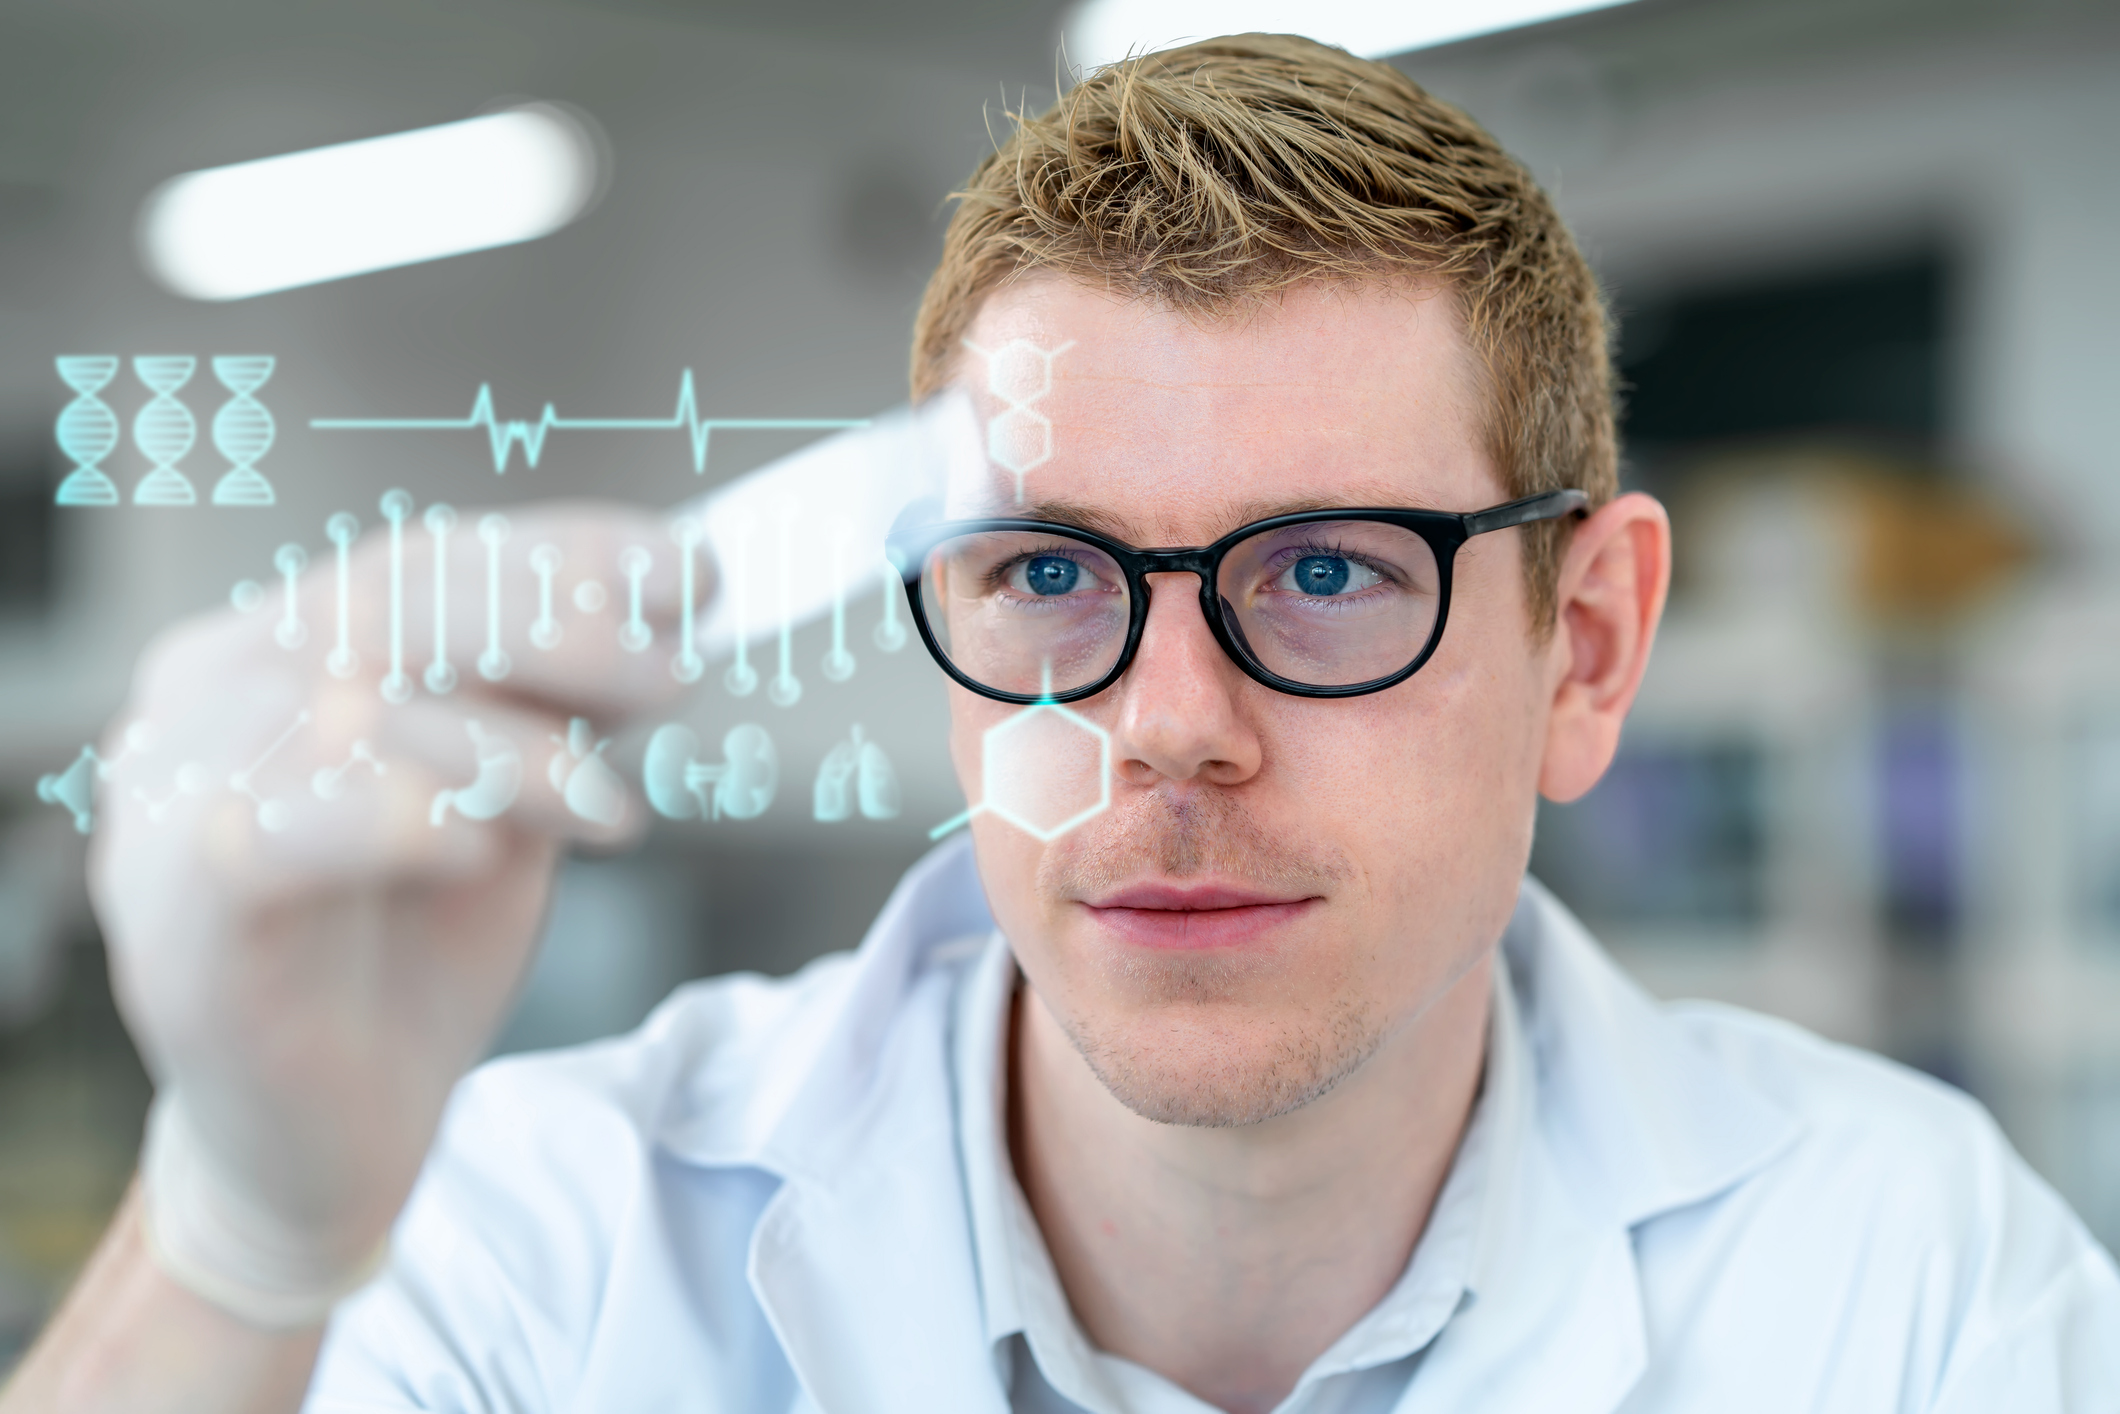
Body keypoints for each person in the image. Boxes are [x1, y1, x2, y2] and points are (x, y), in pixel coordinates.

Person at [6, 32, 2115, 1414]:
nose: (1164, 727)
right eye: (1049, 577)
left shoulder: (1901, 1281)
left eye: (1322, 572)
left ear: (1584, 648)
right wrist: (238, 1235)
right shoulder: (549, 1239)